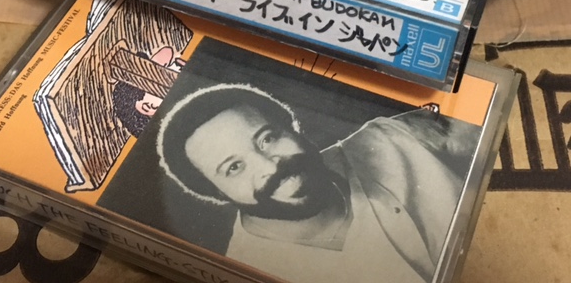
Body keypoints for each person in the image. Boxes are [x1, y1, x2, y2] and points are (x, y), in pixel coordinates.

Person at [156, 83, 481, 283]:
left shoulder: (388, 138)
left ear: (292, 127)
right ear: (217, 194)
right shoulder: (247, 271)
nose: (271, 166)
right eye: (234, 167)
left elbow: (480, 111)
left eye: (267, 139)